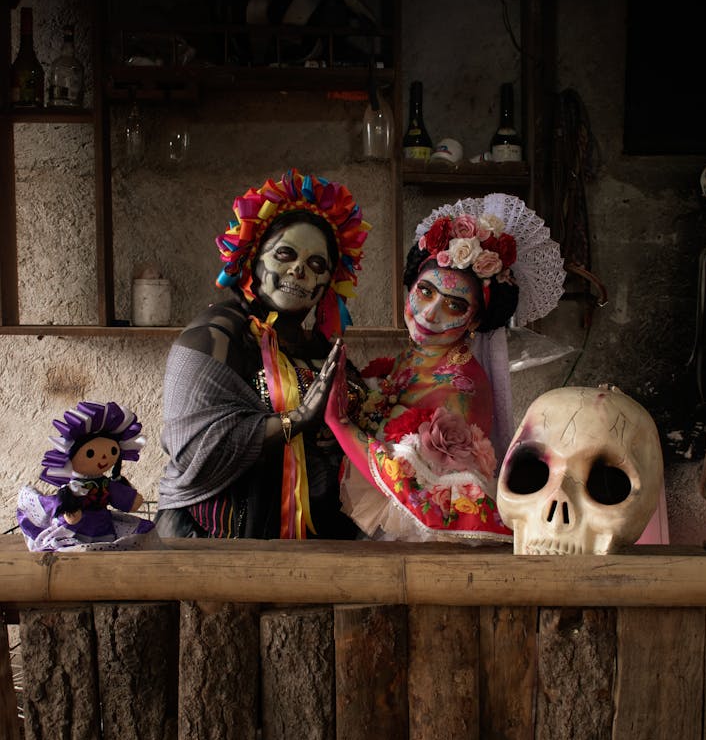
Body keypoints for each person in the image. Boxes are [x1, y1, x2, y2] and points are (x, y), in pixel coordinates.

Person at [324, 192, 567, 543]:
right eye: (424, 291)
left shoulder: (462, 387)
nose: (428, 313)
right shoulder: (412, 357)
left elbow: (426, 500)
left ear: (474, 322)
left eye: (453, 305)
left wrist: (340, 423)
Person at [155, 168, 370, 540]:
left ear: (328, 283)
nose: (299, 270)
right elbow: (192, 452)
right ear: (254, 257)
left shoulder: (323, 349)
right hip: (215, 543)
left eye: (317, 264)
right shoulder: (214, 334)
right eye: (285, 254)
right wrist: (298, 419)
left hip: (315, 547)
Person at [16, 400, 156, 552]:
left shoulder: (107, 484)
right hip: (76, 529)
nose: (104, 458)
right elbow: (62, 505)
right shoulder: (73, 488)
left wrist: (131, 500)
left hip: (104, 527)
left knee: (138, 533)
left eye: (112, 452)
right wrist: (70, 510)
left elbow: (122, 498)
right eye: (90, 453)